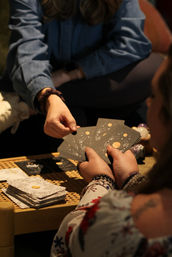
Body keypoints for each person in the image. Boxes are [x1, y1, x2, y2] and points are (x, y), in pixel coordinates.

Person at [50, 44, 172, 256]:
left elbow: (73, 241)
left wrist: (101, 181)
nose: (148, 103)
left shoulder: (118, 222)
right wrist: (131, 180)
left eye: (154, 95)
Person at [1, 0, 163, 140]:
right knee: (72, 120)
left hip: (90, 78)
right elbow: (27, 48)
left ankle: (27, 105)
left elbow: (133, 42)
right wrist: (48, 94)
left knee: (154, 68)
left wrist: (70, 74)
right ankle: (41, 99)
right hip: (43, 76)